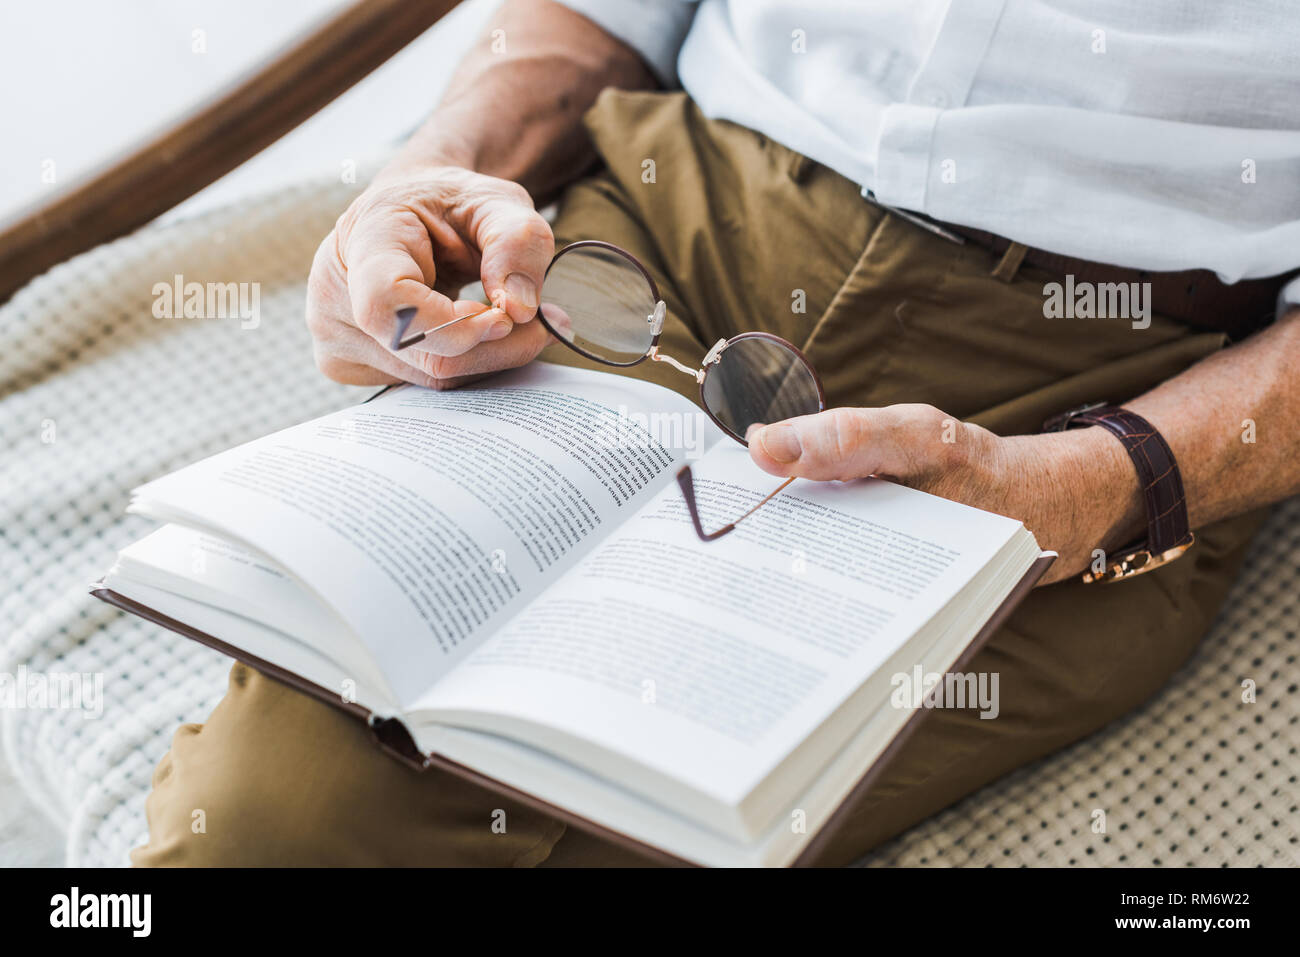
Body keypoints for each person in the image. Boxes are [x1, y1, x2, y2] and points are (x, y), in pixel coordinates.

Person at [133, 0, 1300, 866]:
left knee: (675, 809)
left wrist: (1099, 480)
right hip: (654, 238)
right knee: (260, 828)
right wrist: (440, 175)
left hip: (1089, 384)